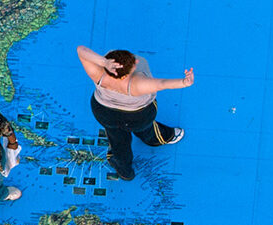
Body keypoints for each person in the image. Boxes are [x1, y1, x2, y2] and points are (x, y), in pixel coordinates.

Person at [76, 45, 191, 181]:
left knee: (117, 140)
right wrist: (184, 82)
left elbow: (81, 50)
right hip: (137, 117)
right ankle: (160, 138)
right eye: (133, 64)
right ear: (125, 74)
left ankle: (124, 171)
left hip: (104, 112)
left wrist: (104, 62)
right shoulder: (138, 84)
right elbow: (163, 83)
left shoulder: (98, 72)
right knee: (147, 129)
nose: (136, 61)